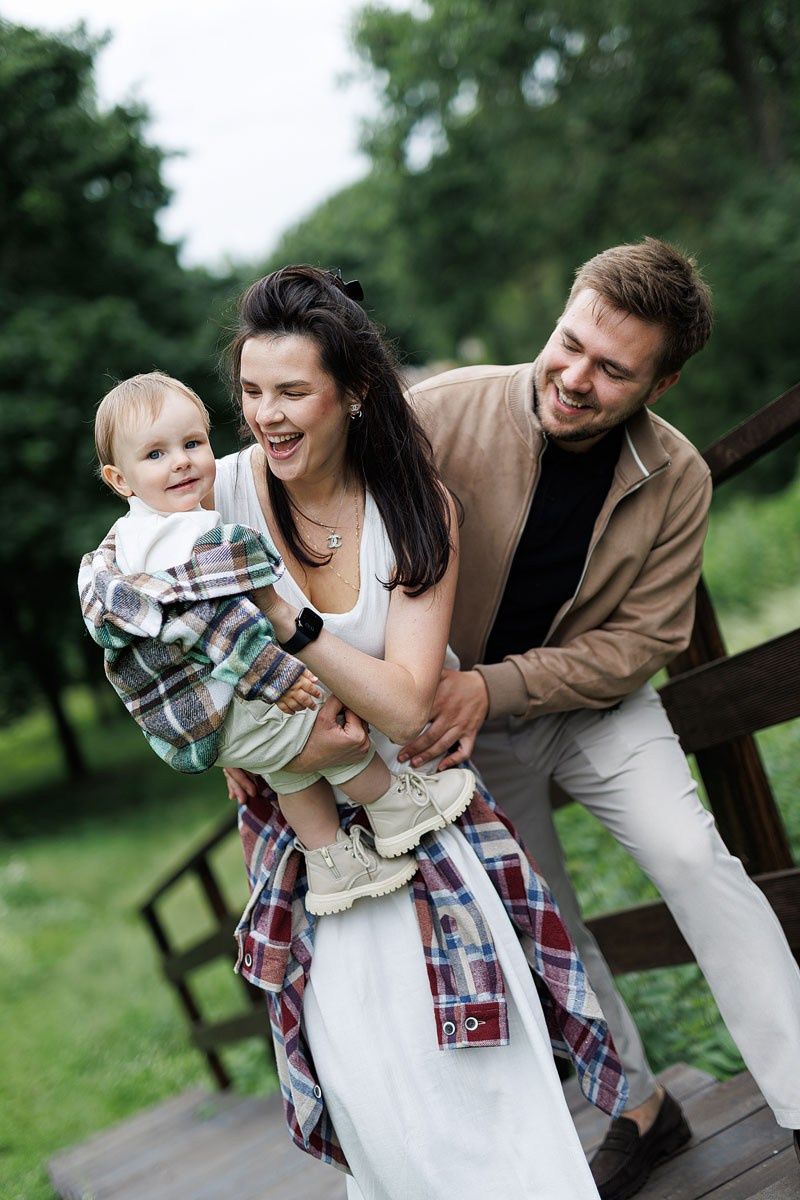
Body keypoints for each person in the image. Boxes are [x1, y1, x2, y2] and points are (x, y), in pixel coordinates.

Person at [398, 236, 800, 1198]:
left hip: (596, 707)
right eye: (569, 343)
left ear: (659, 385)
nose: (574, 378)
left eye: (612, 369)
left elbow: (644, 640)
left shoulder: (681, 477)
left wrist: (498, 686)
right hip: (456, 728)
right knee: (541, 922)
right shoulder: (439, 413)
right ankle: (641, 1110)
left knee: (693, 858)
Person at [216, 264, 628, 1199]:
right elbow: (165, 639)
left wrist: (285, 615)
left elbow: (406, 705)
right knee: (372, 1076)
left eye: (291, 392)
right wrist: (234, 752)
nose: (266, 416)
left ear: (353, 392)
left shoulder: (414, 510)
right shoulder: (223, 498)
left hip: (422, 812)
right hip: (311, 834)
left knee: (481, 1067)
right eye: (250, 392)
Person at [79, 371, 476, 915]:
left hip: (203, 704)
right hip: (234, 682)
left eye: (193, 444)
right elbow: (223, 627)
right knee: (312, 720)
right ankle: (392, 806)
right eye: (156, 454)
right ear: (119, 478)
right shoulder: (192, 535)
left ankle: (330, 858)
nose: (181, 462)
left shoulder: (128, 535)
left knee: (286, 762)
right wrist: (281, 679)